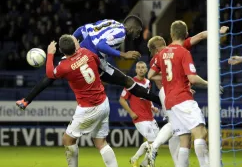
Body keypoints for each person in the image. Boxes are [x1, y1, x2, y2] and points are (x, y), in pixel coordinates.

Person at [16, 16, 162, 110]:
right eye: (138, 31)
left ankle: (26, 100)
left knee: (52, 75)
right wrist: (123, 54)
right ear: (133, 28)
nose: (137, 35)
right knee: (128, 82)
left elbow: (82, 29)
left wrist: (71, 44)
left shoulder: (111, 22)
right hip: (91, 60)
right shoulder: (122, 34)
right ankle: (162, 102)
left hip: (78, 53)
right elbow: (100, 46)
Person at [146, 26, 228, 167]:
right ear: (186, 34)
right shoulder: (184, 51)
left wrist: (168, 78)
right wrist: (211, 84)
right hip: (182, 97)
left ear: (171, 35)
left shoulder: (161, 54)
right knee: (200, 132)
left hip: (169, 100)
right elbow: (192, 78)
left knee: (184, 140)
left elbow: (150, 75)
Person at [45, 35, 122, 167]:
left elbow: (50, 73)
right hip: (103, 102)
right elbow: (99, 63)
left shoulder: (64, 66)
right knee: (101, 143)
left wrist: (49, 53)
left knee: (67, 140)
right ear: (75, 46)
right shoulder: (87, 53)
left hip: (88, 108)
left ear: (61, 51)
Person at [119, 61, 159, 167]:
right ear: (135, 70)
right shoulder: (130, 83)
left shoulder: (148, 82)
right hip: (139, 117)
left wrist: (152, 106)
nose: (141, 69)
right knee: (152, 141)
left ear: (146, 70)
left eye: (143, 67)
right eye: (138, 67)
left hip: (150, 116)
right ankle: (136, 158)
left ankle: (143, 163)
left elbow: (148, 97)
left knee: (157, 142)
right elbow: (122, 100)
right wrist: (131, 113)